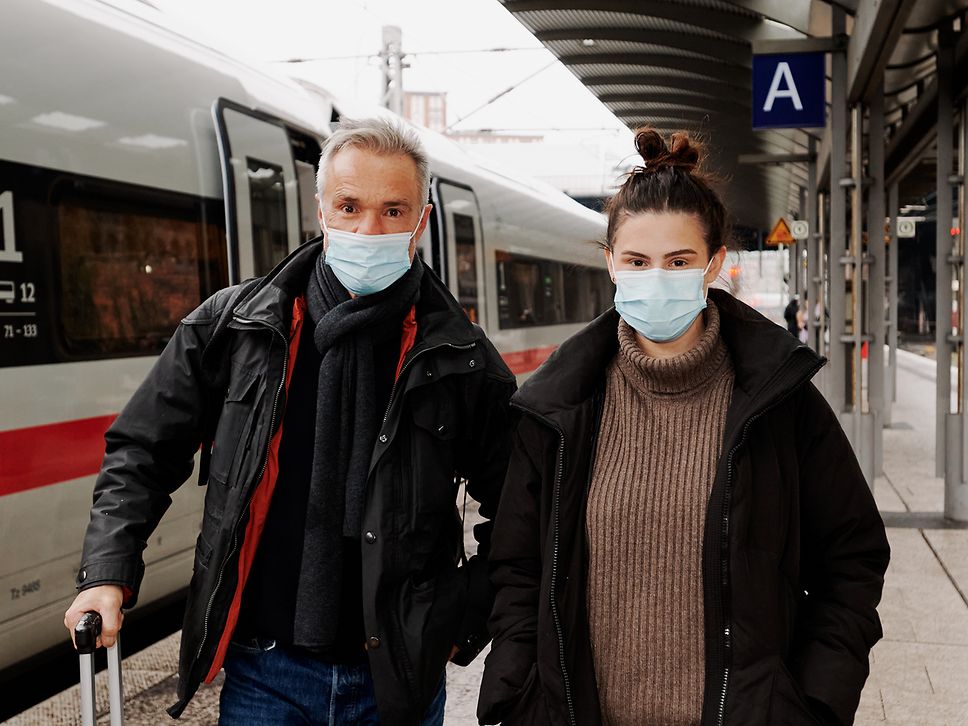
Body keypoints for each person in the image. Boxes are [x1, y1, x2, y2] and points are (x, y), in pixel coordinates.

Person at [64, 117, 516, 725]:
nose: (368, 230)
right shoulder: (235, 327)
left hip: (398, 678)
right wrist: (106, 573)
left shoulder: (461, 357)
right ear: (320, 211)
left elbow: (522, 504)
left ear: (422, 220)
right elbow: (142, 451)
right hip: (264, 670)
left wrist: (462, 621)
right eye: (349, 207)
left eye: (393, 211)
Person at [478, 129, 889, 726]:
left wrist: (814, 702)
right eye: (637, 262)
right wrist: (516, 694)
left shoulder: (780, 403)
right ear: (610, 263)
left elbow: (852, 559)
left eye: (678, 262)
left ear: (713, 263)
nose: (656, 278)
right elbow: (517, 568)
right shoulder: (558, 409)